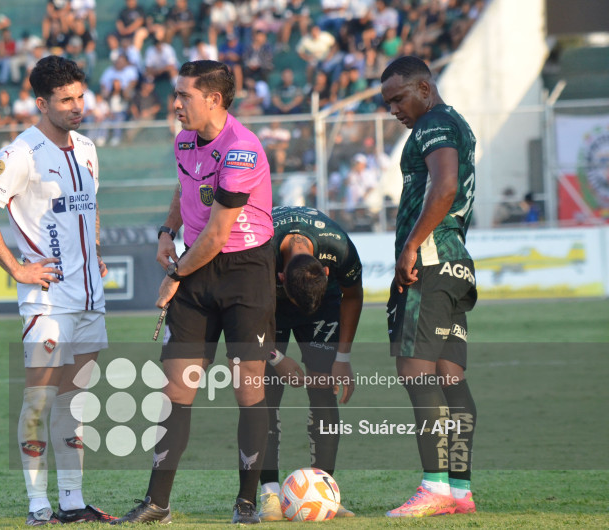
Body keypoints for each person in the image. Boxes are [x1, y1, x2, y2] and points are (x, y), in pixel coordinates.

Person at [112, 60, 275, 525]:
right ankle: (157, 504)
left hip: (244, 272)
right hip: (196, 269)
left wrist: (175, 274)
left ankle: (246, 503)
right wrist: (168, 229)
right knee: (176, 389)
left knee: (248, 390)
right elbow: (186, 188)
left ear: (214, 100)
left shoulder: (242, 148)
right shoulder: (184, 140)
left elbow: (220, 233)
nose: (176, 103)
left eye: (184, 95)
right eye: (176, 93)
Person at [0, 55, 115, 527]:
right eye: (66, 100)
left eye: (80, 97)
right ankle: (38, 507)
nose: (76, 107)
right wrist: (17, 269)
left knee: (74, 404)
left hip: (91, 299)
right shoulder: (21, 154)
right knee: (38, 401)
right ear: (41, 103)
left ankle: (72, 502)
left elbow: (88, 207)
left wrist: (94, 249)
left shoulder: (89, 147)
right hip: (49, 300)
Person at [380, 55, 478, 517]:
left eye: (398, 98)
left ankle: (435, 486)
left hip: (432, 259)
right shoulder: (453, 121)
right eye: (388, 102)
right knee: (449, 378)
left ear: (423, 88)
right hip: (456, 261)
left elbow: (444, 186)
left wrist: (411, 246)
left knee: (414, 370)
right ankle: (459, 490)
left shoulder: (433, 123)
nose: (393, 109)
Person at [257, 205, 363, 522]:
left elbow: (354, 296)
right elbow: (240, 320)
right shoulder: (259, 251)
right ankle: (270, 496)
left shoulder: (340, 248)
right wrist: (275, 357)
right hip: (268, 308)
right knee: (264, 394)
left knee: (323, 389)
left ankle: (324, 492)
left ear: (326, 271)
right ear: (279, 277)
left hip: (323, 305)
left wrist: (342, 357)